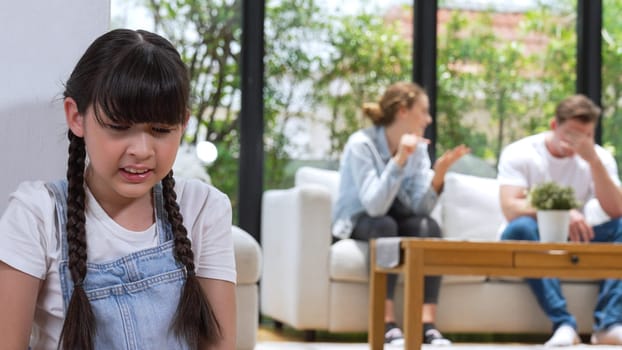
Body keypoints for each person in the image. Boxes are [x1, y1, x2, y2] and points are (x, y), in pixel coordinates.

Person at [0, 29, 236, 350]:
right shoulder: (36, 213)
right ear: (76, 117)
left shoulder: (204, 207)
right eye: (119, 127)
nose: (141, 149)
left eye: (161, 130)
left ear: (183, 124)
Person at [332, 81, 469, 345]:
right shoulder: (362, 144)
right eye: (424, 111)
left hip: (397, 215)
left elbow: (420, 209)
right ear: (402, 111)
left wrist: (438, 177)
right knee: (385, 226)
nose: (428, 119)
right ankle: (386, 324)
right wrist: (399, 160)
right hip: (362, 219)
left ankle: (426, 325)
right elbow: (374, 206)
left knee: (428, 227)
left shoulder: (418, 149)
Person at [498, 94, 622, 346]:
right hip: (532, 235)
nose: (578, 141)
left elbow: (616, 209)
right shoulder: (521, 153)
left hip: (578, 237)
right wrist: (561, 213)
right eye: (572, 133)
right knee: (521, 227)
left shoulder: (597, 157)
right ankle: (565, 324)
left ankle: (609, 325)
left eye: (586, 135)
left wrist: (594, 162)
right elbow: (511, 207)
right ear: (554, 125)